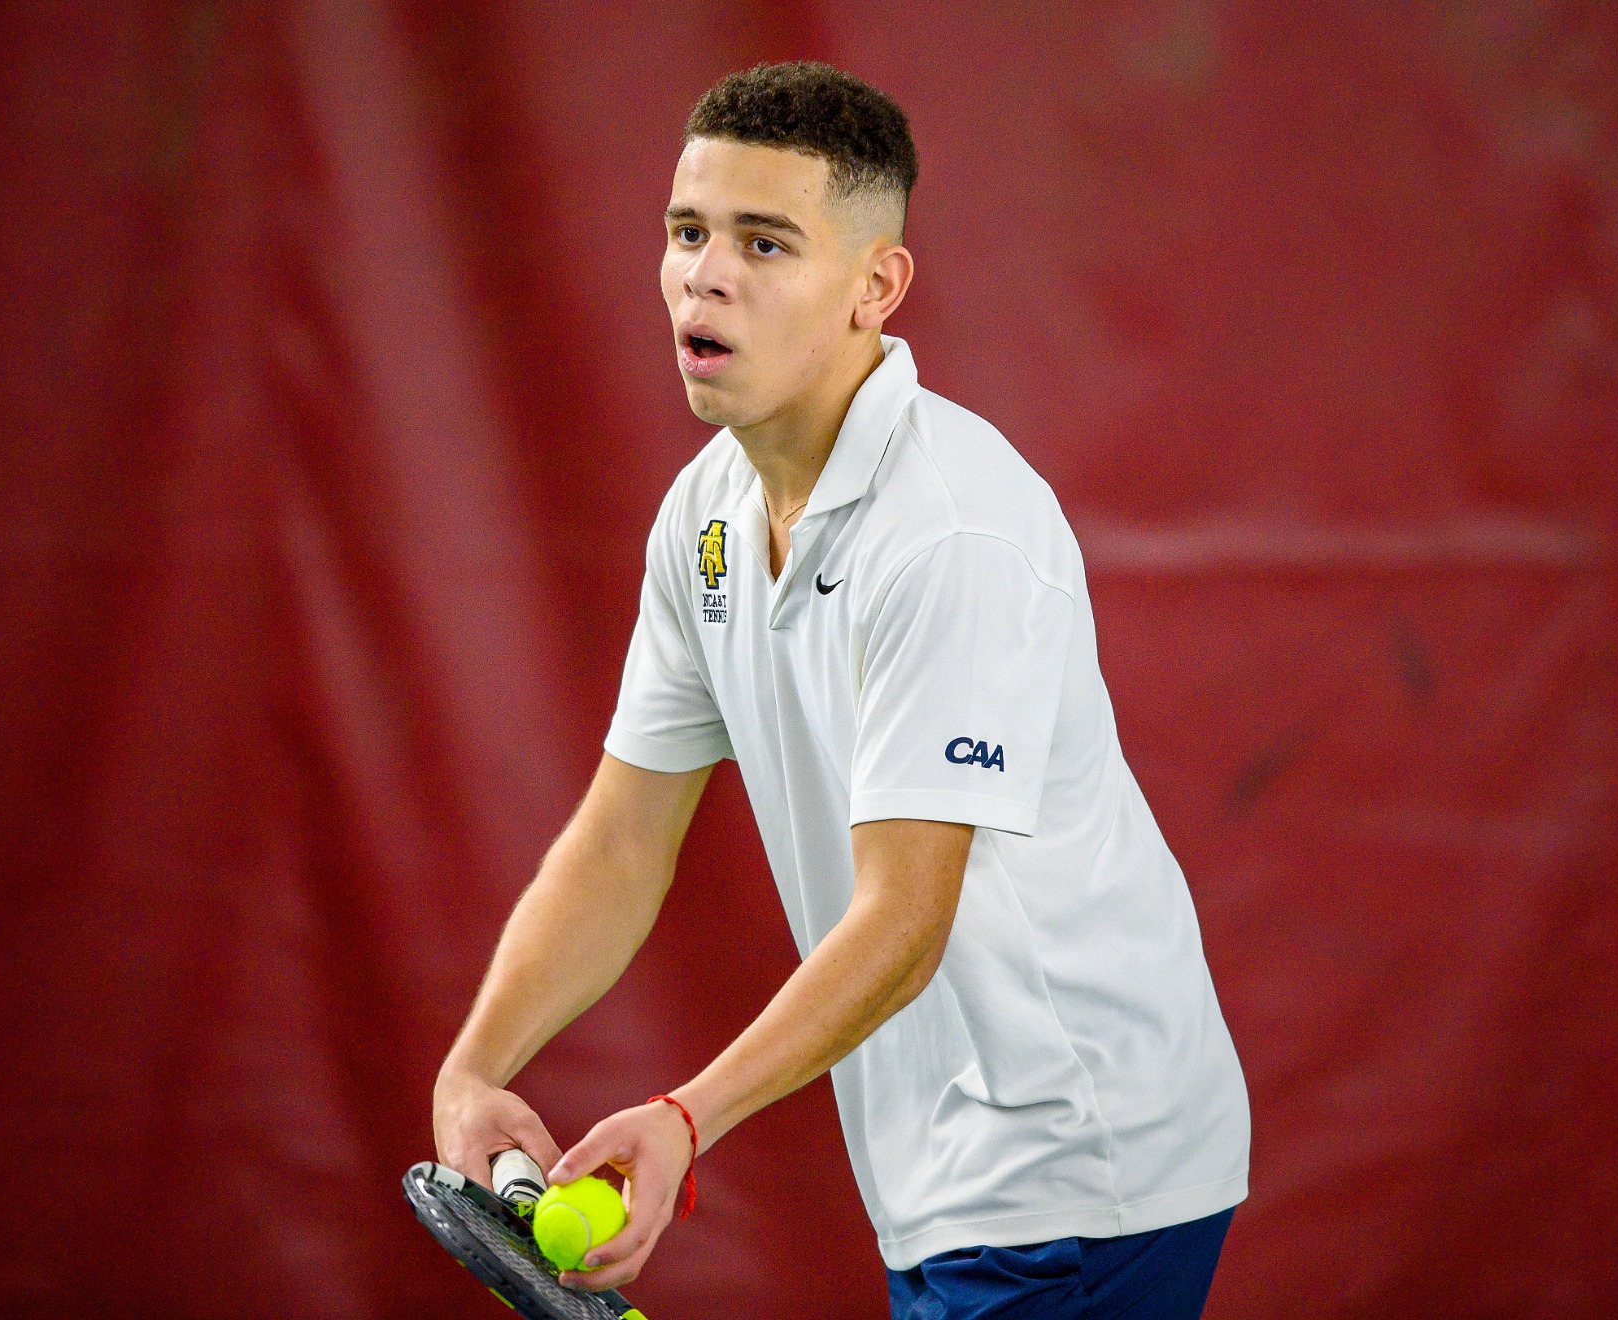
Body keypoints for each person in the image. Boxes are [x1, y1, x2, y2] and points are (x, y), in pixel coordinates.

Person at [432, 61, 1250, 1318]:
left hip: (1081, 1172)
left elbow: (902, 920)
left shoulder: (951, 533)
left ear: (875, 287)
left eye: (764, 243)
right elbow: (620, 840)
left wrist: (680, 1121)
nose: (705, 274)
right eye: (687, 232)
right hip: (935, 1167)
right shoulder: (703, 513)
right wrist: (476, 1066)